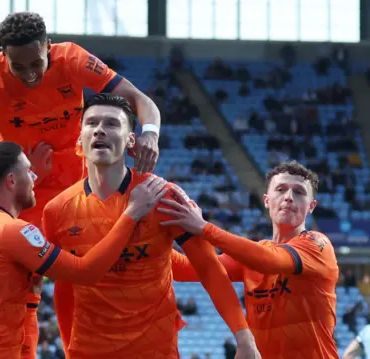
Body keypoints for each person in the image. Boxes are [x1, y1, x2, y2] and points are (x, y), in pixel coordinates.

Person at [42, 94, 259, 358]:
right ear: (79, 140)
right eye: (92, 123)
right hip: (90, 350)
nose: (100, 129)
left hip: (156, 350)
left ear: (131, 140)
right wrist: (68, 349)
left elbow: (208, 267)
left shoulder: (164, 195)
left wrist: (244, 338)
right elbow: (64, 288)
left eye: (112, 124)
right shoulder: (57, 211)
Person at [0, 11, 161, 229]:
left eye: (36, 63)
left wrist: (150, 133)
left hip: (82, 182)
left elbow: (138, 99)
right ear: (3, 55)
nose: (29, 74)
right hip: (24, 188)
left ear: (48, 46)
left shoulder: (73, 60)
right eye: (18, 67)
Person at [0, 141, 168, 359]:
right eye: (29, 172)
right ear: (12, 181)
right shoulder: (11, 232)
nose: (35, 179)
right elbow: (85, 272)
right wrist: (132, 213)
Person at [160, 161, 339, 358]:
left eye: (299, 192)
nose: (288, 197)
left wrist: (204, 228)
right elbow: (188, 269)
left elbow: (270, 261)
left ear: (311, 206)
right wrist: (148, 243)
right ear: (266, 200)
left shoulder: (317, 244)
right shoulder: (255, 253)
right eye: (280, 189)